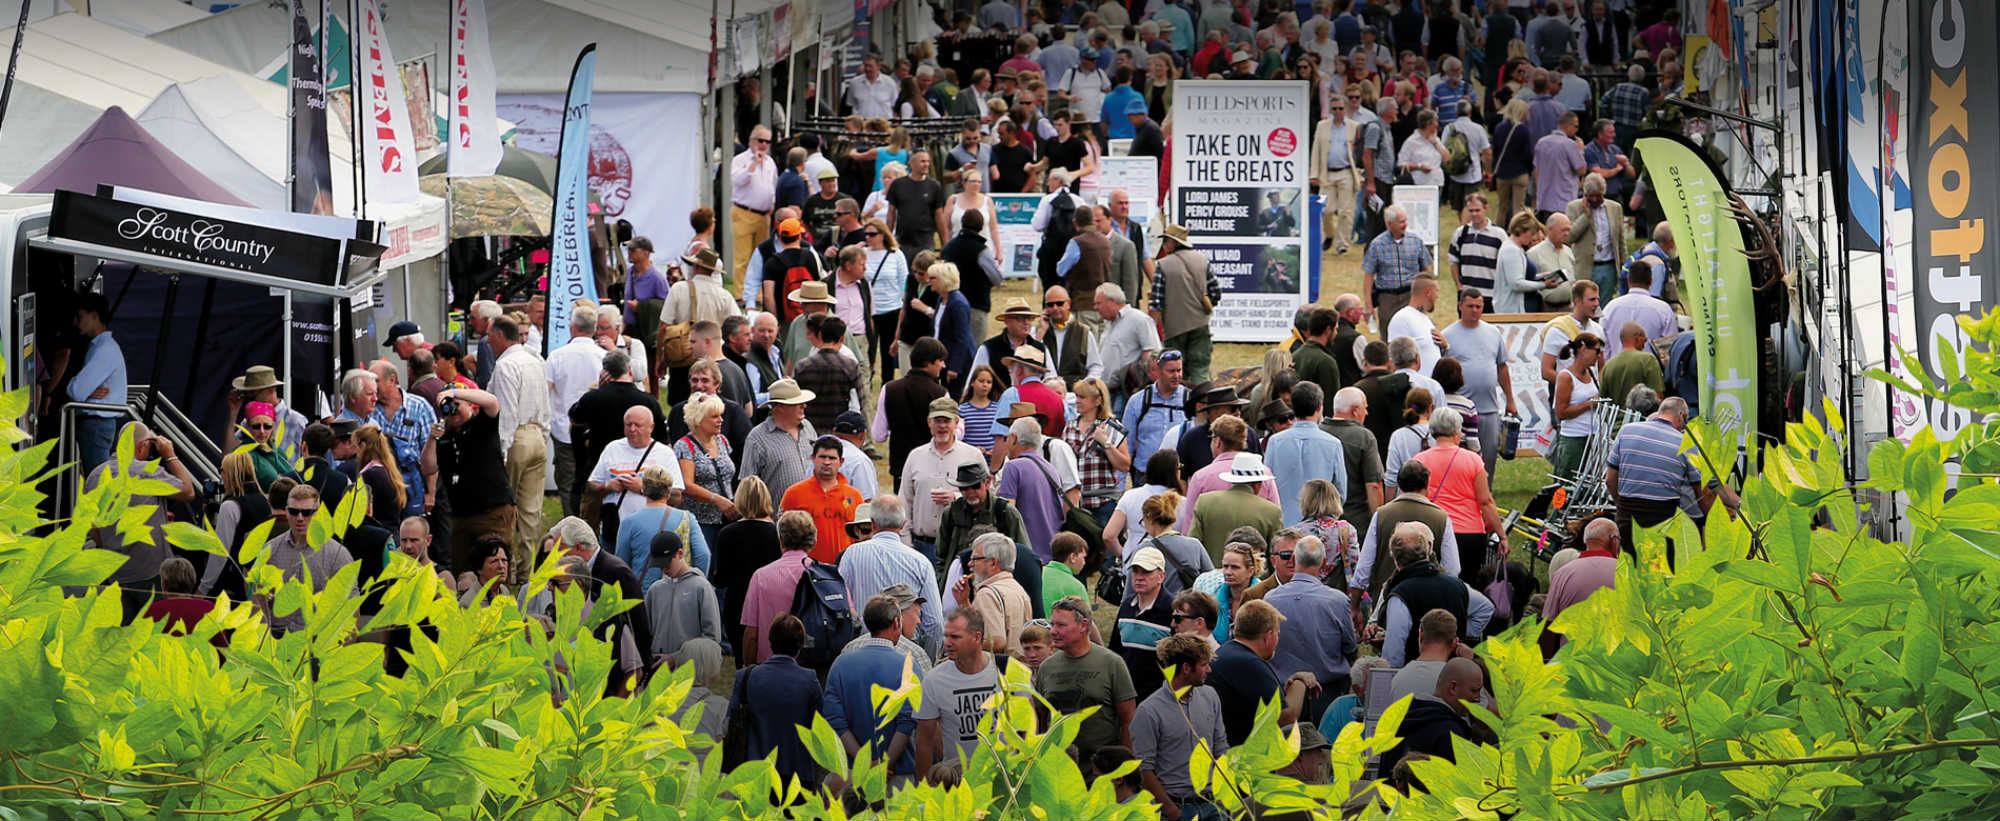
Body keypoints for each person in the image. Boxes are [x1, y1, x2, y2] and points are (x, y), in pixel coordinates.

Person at [1607, 397, 1736, 556]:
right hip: (1663, 520)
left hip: (1627, 516)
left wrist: (1622, 506)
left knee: (1629, 569)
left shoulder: (1626, 430)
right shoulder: (1686, 444)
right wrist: (1716, 525)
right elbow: (1702, 493)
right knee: (1662, 572)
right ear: (1682, 416)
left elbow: (1610, 480)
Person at [823, 595, 920, 785]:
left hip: (850, 776)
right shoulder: (909, 666)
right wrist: (883, 765)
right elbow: (908, 721)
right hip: (899, 776)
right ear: (896, 623)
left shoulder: (841, 664)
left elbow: (835, 721)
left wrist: (863, 762)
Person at [1132, 633, 1229, 821]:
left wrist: (1224, 796)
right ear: (1186, 668)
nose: (1209, 670)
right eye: (1203, 665)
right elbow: (1144, 769)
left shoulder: (1210, 696)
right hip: (1177, 808)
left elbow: (1220, 749)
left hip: (1213, 805)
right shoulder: (1149, 711)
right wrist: (1171, 810)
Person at [1369, 522, 1492, 668]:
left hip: (1416, 674)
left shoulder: (1400, 595)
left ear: (1395, 558)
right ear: (1427, 551)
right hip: (1452, 673)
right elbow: (1485, 608)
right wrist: (1461, 634)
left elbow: (1394, 653)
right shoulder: (1457, 585)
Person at [1264, 535, 1357, 720]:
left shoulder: (1270, 599)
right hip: (1326, 695)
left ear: (1294, 560)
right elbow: (1350, 648)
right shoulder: (1337, 601)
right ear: (1323, 563)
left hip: (1284, 694)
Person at [728, 613, 826, 789]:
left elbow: (728, 723)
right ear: (801, 644)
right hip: (798, 774)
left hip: (754, 772)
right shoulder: (809, 680)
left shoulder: (746, 677)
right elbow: (820, 728)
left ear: (770, 641)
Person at [486, 317, 550, 584]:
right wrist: (543, 436)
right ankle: (525, 573)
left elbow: (507, 412)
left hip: (517, 438)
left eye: (490, 337)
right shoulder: (535, 360)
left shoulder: (505, 365)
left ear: (501, 336)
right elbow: (546, 403)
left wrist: (502, 451)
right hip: (537, 436)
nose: (488, 342)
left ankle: (507, 570)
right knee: (530, 511)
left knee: (505, 509)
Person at [1036, 595, 1138, 762]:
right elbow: (1040, 721)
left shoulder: (1111, 663)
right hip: (1058, 770)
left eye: (1061, 625)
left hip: (1100, 772)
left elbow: (1128, 719)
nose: (1053, 631)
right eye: (1052, 624)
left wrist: (1121, 767)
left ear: (1083, 625)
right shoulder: (1046, 667)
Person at [1207, 599, 1318, 746]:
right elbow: (1284, 717)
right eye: (1278, 634)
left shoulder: (1228, 652)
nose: (1277, 640)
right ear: (1268, 636)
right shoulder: (1248, 663)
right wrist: (1301, 682)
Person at [1411, 409, 1503, 582]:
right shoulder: (1473, 460)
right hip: (1469, 532)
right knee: (1468, 584)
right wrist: (1501, 534)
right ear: (1456, 431)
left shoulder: (1419, 460)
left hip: (1431, 531)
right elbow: (1485, 501)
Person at [916, 607, 1010, 774]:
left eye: (955, 637)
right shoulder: (934, 680)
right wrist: (923, 790)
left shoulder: (1007, 670)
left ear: (977, 637)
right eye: (946, 636)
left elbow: (1029, 726)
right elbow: (924, 741)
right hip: (957, 782)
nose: (948, 643)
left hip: (1003, 779)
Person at [1354, 462, 1461, 608]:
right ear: (1427, 484)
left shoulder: (1382, 514)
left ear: (1399, 484)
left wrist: (1355, 604)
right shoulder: (1441, 517)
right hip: (1428, 601)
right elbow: (1452, 568)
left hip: (1386, 600)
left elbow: (1364, 566)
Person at [258, 484, 356, 635]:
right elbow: (257, 601)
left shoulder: (338, 555)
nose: (300, 518)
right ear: (286, 511)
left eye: (307, 512)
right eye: (293, 511)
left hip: (317, 642)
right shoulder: (269, 551)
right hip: (276, 641)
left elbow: (351, 608)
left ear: (317, 513)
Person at [1442, 290, 1515, 479]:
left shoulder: (1493, 333)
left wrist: (1510, 400)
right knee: (1461, 457)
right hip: (1460, 410)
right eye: (1470, 306)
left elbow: (1502, 368)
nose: (1475, 310)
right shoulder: (1447, 336)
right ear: (1460, 306)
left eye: (1479, 306)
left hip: (1489, 408)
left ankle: (1486, 494)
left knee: (1489, 455)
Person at [589, 405, 684, 547]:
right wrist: (608, 486)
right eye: (628, 425)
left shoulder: (664, 454)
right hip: (614, 531)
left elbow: (677, 497)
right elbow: (591, 486)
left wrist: (644, 488)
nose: (632, 429)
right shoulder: (612, 448)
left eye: (638, 425)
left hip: (652, 533)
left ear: (651, 427)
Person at [1378, 657, 1488, 778]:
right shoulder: (1450, 734)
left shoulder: (1398, 722)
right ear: (1453, 688)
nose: (1477, 698)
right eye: (1474, 691)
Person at [713, 478, 780, 664]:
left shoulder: (727, 533)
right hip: (769, 603)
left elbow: (721, 579)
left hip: (738, 604)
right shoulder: (775, 534)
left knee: (742, 659)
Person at [548, 307, 608, 518]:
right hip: (595, 431)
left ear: (572, 328)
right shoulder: (604, 356)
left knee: (567, 483)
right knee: (594, 480)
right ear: (594, 330)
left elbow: (546, 390)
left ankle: (571, 523)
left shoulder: (557, 356)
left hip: (564, 429)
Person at [1266, 381, 1349, 526]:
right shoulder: (1333, 444)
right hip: (1319, 528)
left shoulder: (1275, 442)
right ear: (1319, 407)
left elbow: (1266, 486)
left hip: (1283, 527)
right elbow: (1340, 493)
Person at [1151, 226, 1222, 384]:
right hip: (1200, 325)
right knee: (1200, 371)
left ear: (1173, 243)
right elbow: (1216, 292)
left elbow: (1156, 302)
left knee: (1174, 371)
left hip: (1174, 329)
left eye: (1165, 240)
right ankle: (1201, 403)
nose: (1163, 244)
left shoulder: (1162, 265)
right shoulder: (1202, 260)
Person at [993, 416, 1071, 560]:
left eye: (1007, 438)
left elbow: (1006, 512)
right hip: (1051, 555)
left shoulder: (1013, 467)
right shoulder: (1051, 469)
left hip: (1025, 554)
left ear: (1014, 438)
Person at [1539, 518, 1620, 655]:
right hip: (1616, 663)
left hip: (1572, 662)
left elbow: (1548, 626)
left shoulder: (1562, 574)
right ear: (1613, 541)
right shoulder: (1627, 572)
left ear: (1585, 541)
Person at [1187, 452, 1284, 565]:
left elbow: (1193, 546)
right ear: (1258, 484)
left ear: (1232, 479)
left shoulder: (1205, 502)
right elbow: (1276, 555)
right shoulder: (1271, 511)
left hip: (1211, 577)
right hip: (1256, 580)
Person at [65, 292, 126, 471]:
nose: (75, 322)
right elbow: (81, 391)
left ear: (94, 316)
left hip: (96, 424)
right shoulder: (103, 347)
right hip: (98, 423)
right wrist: (86, 390)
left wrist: (79, 388)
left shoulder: (104, 350)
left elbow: (76, 391)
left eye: (79, 316)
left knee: (97, 484)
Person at [779, 436, 865, 564]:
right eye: (822, 457)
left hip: (843, 569)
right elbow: (782, 535)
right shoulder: (793, 494)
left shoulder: (854, 496)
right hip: (805, 570)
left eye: (832, 458)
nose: (826, 462)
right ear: (813, 458)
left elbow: (862, 537)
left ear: (841, 461)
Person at [936, 461, 1032, 571]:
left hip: (995, 579)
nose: (970, 492)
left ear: (987, 482)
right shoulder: (951, 512)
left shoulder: (1005, 511)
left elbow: (1024, 554)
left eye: (975, 486)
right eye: (964, 488)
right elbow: (941, 555)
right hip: (960, 578)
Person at [642, 530, 721, 661]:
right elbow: (646, 631)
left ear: (680, 554)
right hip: (659, 670)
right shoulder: (654, 590)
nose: (663, 570)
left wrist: (675, 658)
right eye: (659, 566)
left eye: (667, 564)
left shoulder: (701, 587)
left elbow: (712, 637)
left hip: (691, 671)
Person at [1111, 546, 1178, 699]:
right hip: (1126, 695)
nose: (1139, 577)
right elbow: (1115, 650)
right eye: (1135, 571)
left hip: (1159, 697)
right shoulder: (1126, 606)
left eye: (1146, 572)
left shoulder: (1173, 610)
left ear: (1161, 576)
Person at [953, 532, 1033, 654]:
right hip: (1018, 668)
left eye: (975, 559)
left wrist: (962, 644)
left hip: (998, 670)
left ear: (993, 563)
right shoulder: (1017, 588)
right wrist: (964, 602)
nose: (970, 564)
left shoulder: (987, 594)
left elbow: (996, 642)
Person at [1065, 377, 1129, 523]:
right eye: (1076, 396)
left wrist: (1105, 443)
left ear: (1098, 401)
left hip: (1103, 503)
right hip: (1076, 504)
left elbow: (1125, 465)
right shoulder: (1069, 427)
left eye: (1082, 397)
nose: (1077, 401)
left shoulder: (1111, 427)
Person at [740, 378, 818, 498]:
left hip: (812, 513)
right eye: (797, 403)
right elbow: (747, 485)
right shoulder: (757, 438)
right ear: (780, 406)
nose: (804, 406)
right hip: (777, 515)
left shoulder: (808, 427)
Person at [1122, 349, 1190, 480]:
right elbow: (1126, 444)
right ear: (1159, 371)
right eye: (1171, 371)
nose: (1177, 376)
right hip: (1144, 474)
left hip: (1179, 476)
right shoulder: (1137, 401)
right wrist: (1121, 482)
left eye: (1179, 370)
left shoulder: (1189, 400)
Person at [1094, 284, 1160, 408]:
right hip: (1106, 392)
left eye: (1098, 303)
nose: (1095, 308)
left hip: (1125, 392)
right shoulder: (1109, 323)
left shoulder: (1139, 320)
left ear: (1111, 301)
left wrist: (1138, 381)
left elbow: (1152, 354)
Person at [1549, 332, 1604, 481]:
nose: (1598, 355)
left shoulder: (1592, 373)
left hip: (1592, 436)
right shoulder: (1566, 376)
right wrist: (1589, 404)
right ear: (1583, 349)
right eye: (1597, 351)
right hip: (1574, 439)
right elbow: (1561, 413)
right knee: (1568, 484)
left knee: (1589, 483)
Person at [730, 125, 780, 287]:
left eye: (768, 141)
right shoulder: (740, 160)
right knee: (742, 257)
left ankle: (758, 293)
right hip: (744, 211)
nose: (764, 145)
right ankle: (740, 294)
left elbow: (773, 184)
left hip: (764, 214)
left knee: (760, 256)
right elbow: (737, 180)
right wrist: (753, 166)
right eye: (761, 140)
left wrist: (772, 203)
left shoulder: (771, 162)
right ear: (752, 141)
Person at [1362, 205, 1431, 321]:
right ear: (1389, 224)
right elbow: (1368, 275)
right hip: (1387, 298)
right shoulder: (1377, 245)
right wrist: (1368, 304)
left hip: (1411, 295)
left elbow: (1427, 270)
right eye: (1401, 222)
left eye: (1405, 221)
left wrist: (1427, 295)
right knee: (1388, 335)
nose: (1405, 225)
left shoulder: (1416, 241)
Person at [1565, 173, 1627, 299]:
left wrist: (1625, 266)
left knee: (1604, 307)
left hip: (1608, 267)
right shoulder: (1574, 207)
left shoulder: (1615, 208)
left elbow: (1620, 240)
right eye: (1590, 196)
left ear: (1603, 193)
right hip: (1586, 268)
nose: (1593, 200)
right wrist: (1586, 216)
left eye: (1597, 196)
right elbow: (1569, 237)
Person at [1539, 280, 1603, 389]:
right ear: (1577, 301)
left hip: (1592, 397)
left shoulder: (1598, 329)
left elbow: (1601, 366)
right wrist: (1574, 387)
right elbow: (1546, 371)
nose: (1596, 304)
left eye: (1597, 299)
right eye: (1592, 300)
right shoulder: (1557, 330)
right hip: (1566, 397)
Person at [1601, 261, 1679, 346]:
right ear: (1651, 281)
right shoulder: (1663, 309)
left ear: (1628, 280)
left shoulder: (1610, 308)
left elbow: (1602, 342)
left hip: (1615, 358)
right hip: (1649, 359)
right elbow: (1670, 345)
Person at [1533, 112, 1587, 223]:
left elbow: (1537, 170)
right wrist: (1580, 150)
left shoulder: (1541, 142)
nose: (1577, 130)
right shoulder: (1570, 144)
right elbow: (1581, 170)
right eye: (1576, 126)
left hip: (1544, 200)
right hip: (1564, 201)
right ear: (1568, 125)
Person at [1601, 322, 1665, 413]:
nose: (1644, 344)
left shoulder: (1608, 365)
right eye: (1645, 339)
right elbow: (1658, 397)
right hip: (1641, 422)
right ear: (1637, 337)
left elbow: (1602, 402)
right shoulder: (1648, 360)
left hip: (1615, 424)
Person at [1041, 531, 1093, 614]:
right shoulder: (1076, 587)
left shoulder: (1039, 572)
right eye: (1083, 557)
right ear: (1072, 557)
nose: (1084, 562)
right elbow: (1087, 621)